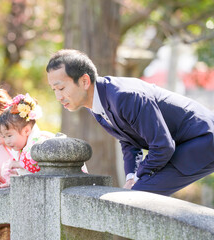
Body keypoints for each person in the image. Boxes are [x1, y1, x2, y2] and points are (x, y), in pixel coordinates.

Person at [46, 49, 214, 196]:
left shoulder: (125, 96)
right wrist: (131, 176)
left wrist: (140, 176)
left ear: (84, 81)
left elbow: (162, 145)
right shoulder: (97, 102)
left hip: (202, 139)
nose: (58, 97)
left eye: (61, 88)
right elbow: (128, 141)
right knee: (132, 195)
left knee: (137, 198)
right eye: (54, 90)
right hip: (181, 143)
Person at [0, 93, 54, 180]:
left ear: (26, 131)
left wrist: (18, 164)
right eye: (4, 137)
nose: (7, 141)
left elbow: (39, 166)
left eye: (9, 135)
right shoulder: (20, 148)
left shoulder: (39, 141)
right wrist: (13, 171)